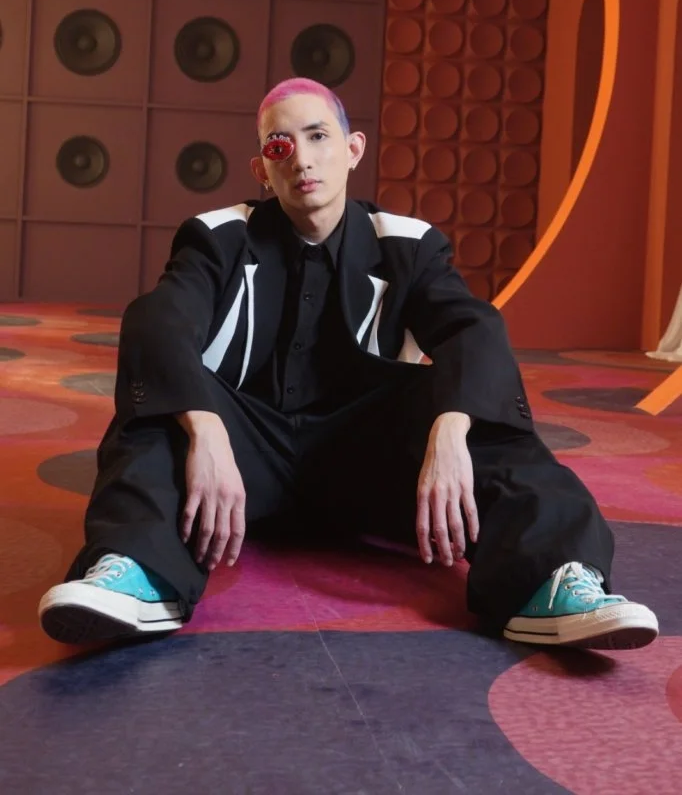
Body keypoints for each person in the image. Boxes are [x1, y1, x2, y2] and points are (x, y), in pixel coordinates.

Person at [38, 77, 658, 651]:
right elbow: (160, 321)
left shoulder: (407, 242)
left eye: (318, 137)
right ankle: (137, 569)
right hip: (245, 454)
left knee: (480, 415)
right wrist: (206, 429)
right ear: (262, 168)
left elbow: (473, 330)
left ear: (353, 149)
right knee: (162, 411)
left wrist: (450, 431)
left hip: (368, 459)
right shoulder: (217, 235)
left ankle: (550, 577)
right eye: (281, 146)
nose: (302, 160)